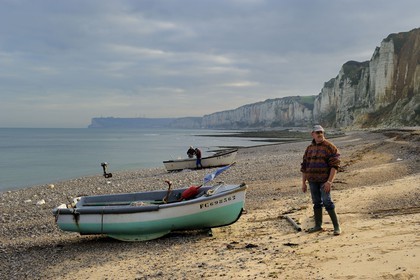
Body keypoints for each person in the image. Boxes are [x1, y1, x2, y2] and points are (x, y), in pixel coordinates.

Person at [300, 125, 342, 235]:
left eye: (321, 132)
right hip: (312, 181)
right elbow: (304, 166)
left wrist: (329, 182)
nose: (320, 134)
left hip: (324, 181)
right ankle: (318, 225)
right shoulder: (309, 149)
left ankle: (337, 227)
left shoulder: (330, 147)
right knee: (316, 202)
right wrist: (303, 183)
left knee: (327, 201)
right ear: (312, 134)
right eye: (317, 132)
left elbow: (335, 166)